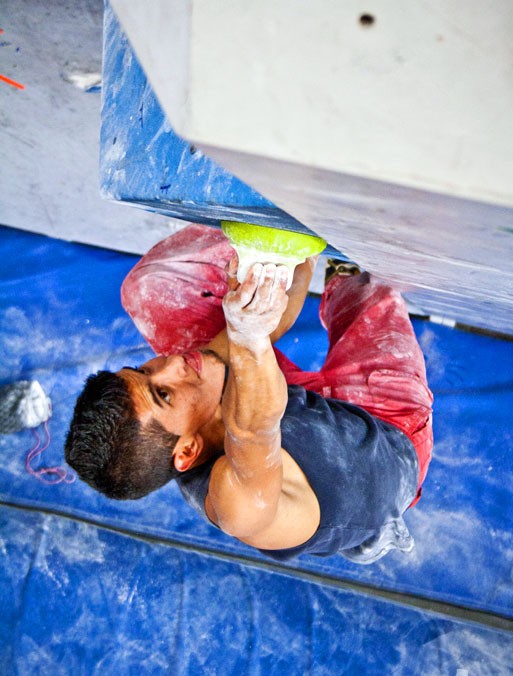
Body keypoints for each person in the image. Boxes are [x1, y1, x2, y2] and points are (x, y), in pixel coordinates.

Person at [65, 224, 433, 563]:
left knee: (150, 289)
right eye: (162, 393)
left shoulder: (196, 391)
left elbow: (263, 329)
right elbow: (253, 429)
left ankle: (257, 236)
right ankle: (348, 281)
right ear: (189, 450)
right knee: (367, 287)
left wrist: (286, 261)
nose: (171, 364)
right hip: (382, 435)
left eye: (143, 370)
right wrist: (248, 333)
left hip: (282, 399)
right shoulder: (236, 505)